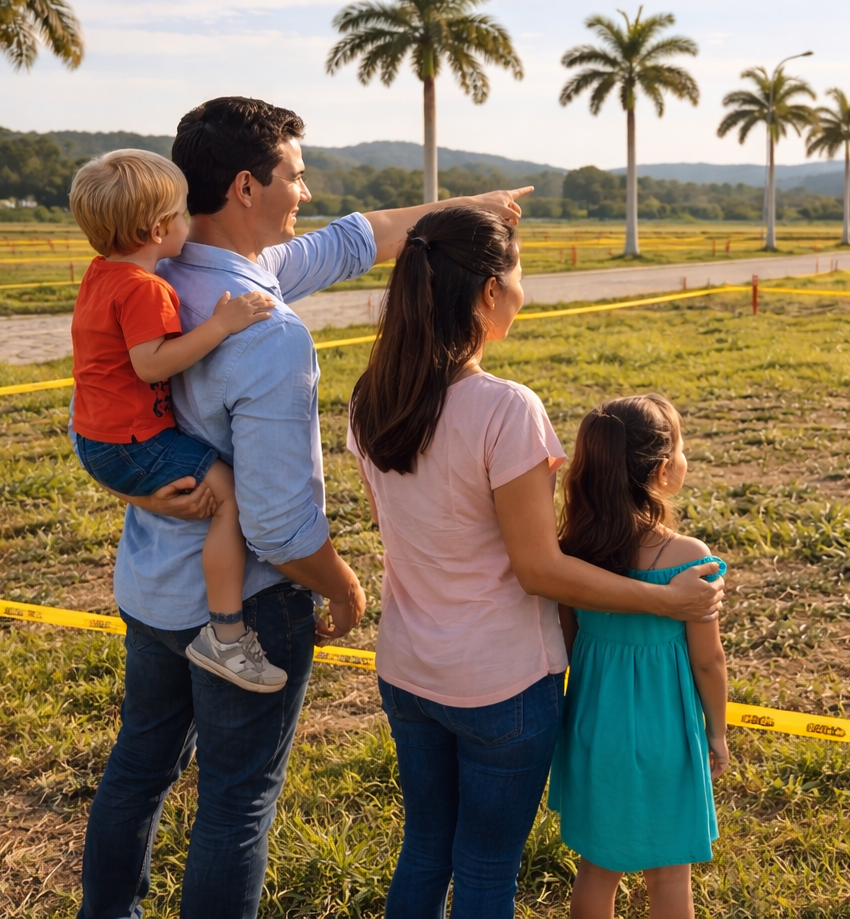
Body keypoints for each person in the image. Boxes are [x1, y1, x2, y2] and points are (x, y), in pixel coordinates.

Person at [75, 96, 530, 919]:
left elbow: (358, 236)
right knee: (235, 802)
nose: (306, 193)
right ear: (248, 186)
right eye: (297, 175)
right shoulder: (267, 327)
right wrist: (345, 585)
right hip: (245, 606)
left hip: (151, 587)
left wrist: (463, 210)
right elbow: (280, 528)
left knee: (138, 770)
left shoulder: (161, 274)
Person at [345, 204, 725, 919]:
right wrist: (663, 601)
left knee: (424, 846)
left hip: (406, 666)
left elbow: (403, 535)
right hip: (500, 683)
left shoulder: (372, 401)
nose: (523, 293)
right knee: (487, 864)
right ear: (488, 293)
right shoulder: (505, 408)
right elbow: (538, 570)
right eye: (519, 278)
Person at [68, 149, 287, 693]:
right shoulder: (146, 287)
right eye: (183, 213)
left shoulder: (101, 275)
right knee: (232, 498)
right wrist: (223, 324)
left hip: (97, 439)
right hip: (132, 444)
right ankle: (227, 633)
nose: (190, 223)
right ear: (157, 228)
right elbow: (151, 364)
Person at [548, 394, 729, 919]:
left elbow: (567, 639)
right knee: (670, 871)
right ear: (663, 468)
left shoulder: (572, 552)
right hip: (665, 734)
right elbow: (708, 661)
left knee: (596, 867)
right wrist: (716, 733)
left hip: (592, 727)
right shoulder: (689, 559)